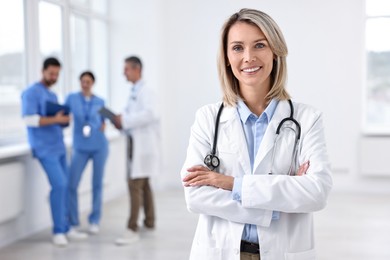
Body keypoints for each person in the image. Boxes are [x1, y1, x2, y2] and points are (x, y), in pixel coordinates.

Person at [181, 9, 333, 260]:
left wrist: (231, 184)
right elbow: (195, 196)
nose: (248, 57)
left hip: (282, 251)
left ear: (275, 50)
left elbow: (316, 192)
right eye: (238, 48)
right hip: (220, 251)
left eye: (259, 45)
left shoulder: (307, 119)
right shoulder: (208, 118)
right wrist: (277, 202)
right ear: (227, 57)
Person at [21, 57, 87, 247]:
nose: (54, 77)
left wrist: (64, 120)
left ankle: (66, 227)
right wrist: (56, 120)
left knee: (66, 186)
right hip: (43, 148)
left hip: (58, 145)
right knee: (59, 185)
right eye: (51, 73)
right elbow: (29, 120)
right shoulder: (31, 93)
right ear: (43, 71)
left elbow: (54, 120)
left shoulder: (51, 95)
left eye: (57, 74)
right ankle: (58, 230)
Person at [113, 56, 161, 245]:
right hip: (137, 143)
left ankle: (131, 228)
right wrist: (121, 121)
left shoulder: (147, 91)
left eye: (126, 69)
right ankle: (149, 221)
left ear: (136, 69)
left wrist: (124, 120)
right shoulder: (135, 91)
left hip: (144, 146)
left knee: (135, 185)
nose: (124, 73)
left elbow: (149, 114)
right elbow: (132, 116)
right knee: (144, 183)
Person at [65, 71, 109, 235]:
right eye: (83, 81)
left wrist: (104, 124)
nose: (85, 84)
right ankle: (73, 221)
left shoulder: (100, 101)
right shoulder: (72, 98)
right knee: (72, 184)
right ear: (79, 82)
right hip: (80, 147)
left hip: (99, 146)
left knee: (97, 184)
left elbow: (106, 121)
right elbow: (62, 115)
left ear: (93, 83)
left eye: (88, 81)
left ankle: (95, 220)